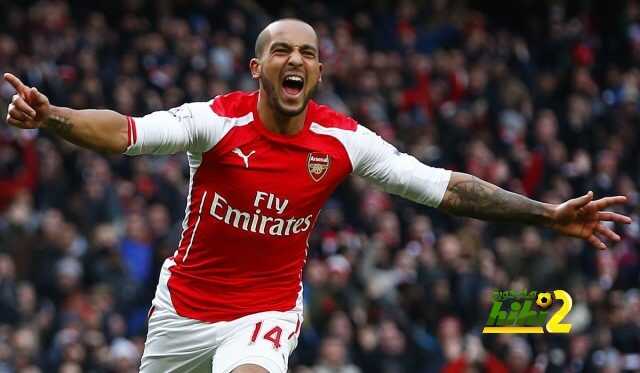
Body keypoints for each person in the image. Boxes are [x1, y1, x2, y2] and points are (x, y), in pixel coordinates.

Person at [3, 18, 631, 373]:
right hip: (182, 311)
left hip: (265, 315)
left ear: (319, 73)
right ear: (258, 69)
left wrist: (546, 213)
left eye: (307, 52)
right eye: (281, 50)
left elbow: (443, 188)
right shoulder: (216, 122)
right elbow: (127, 133)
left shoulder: (343, 141)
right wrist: (53, 116)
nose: (294, 59)